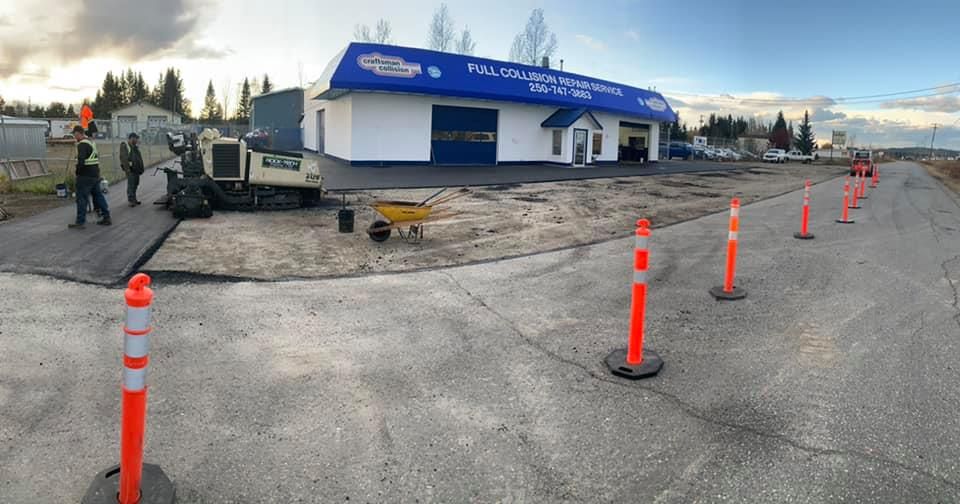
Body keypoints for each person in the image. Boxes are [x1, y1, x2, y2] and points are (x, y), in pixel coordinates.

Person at [69, 125, 111, 229]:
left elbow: (81, 161)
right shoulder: (91, 143)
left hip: (85, 176)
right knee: (98, 196)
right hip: (95, 174)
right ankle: (106, 217)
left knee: (82, 198)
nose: (74, 137)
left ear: (78, 133)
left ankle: (80, 222)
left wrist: (77, 172)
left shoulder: (82, 144)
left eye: (74, 135)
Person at [119, 132, 145, 206]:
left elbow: (138, 157)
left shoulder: (134, 147)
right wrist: (127, 169)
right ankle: (131, 200)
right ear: (131, 138)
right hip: (130, 169)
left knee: (135, 184)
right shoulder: (125, 146)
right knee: (131, 185)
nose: (137, 140)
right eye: (136, 138)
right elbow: (124, 158)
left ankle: (134, 199)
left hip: (136, 169)